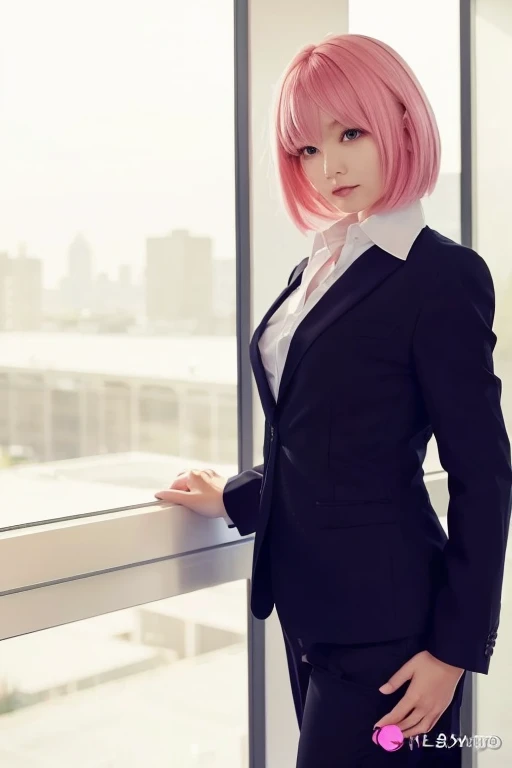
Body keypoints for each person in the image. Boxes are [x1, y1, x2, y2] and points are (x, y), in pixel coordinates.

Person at [154, 33, 512, 767]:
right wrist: (235, 494)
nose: (330, 165)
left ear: (403, 124)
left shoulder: (441, 277)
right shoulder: (317, 263)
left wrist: (453, 651)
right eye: (307, 150)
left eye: (349, 133)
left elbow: (484, 472)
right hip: (311, 613)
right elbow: (322, 445)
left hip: (395, 635)